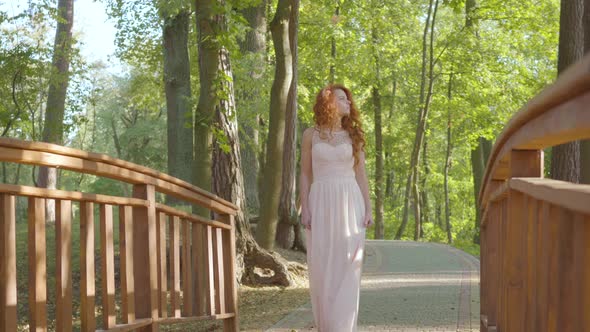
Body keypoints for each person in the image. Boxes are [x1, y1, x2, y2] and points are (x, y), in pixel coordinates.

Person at [299, 84, 373, 331]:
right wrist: (305, 207)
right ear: (328, 101)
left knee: (349, 263)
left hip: (350, 201)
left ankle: (343, 326)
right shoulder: (310, 134)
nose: (349, 103)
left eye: (349, 99)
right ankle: (327, 325)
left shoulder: (353, 136)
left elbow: (361, 174)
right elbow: (305, 174)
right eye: (342, 98)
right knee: (322, 263)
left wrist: (369, 209)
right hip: (320, 201)